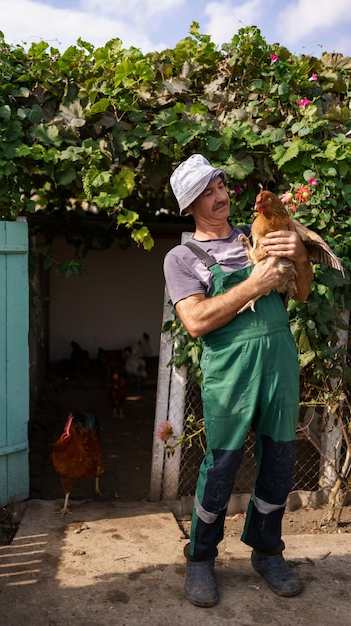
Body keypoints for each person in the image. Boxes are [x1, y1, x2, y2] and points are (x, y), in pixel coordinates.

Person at [164, 153, 313, 608]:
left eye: (221, 187)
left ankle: (267, 552)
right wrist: (253, 284)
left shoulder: (259, 236)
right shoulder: (182, 257)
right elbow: (195, 321)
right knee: (222, 466)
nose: (220, 197)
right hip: (230, 374)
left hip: (280, 365)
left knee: (280, 463)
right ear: (190, 206)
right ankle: (201, 558)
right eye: (207, 194)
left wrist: (299, 255)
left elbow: (302, 291)